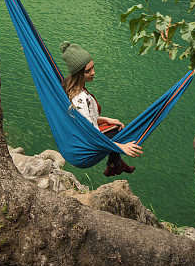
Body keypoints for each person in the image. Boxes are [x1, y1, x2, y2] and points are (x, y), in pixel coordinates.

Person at [60, 41, 143, 177]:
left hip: (82, 136)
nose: (93, 72)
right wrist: (121, 147)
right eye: (88, 71)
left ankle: (114, 164)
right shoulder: (80, 97)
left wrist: (107, 119)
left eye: (93, 68)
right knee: (120, 131)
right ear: (78, 73)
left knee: (116, 124)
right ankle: (114, 165)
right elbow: (91, 134)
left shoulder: (72, 87)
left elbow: (84, 119)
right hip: (85, 144)